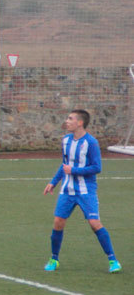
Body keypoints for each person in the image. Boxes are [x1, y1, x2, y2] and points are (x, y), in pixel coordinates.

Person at [42, 109, 122, 273]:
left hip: (86, 191)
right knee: (58, 222)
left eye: (70, 119)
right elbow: (65, 165)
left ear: (80, 123)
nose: (67, 121)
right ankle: (54, 259)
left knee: (94, 223)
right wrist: (53, 182)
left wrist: (74, 171)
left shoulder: (91, 143)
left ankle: (113, 260)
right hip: (67, 189)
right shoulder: (66, 140)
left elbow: (97, 167)